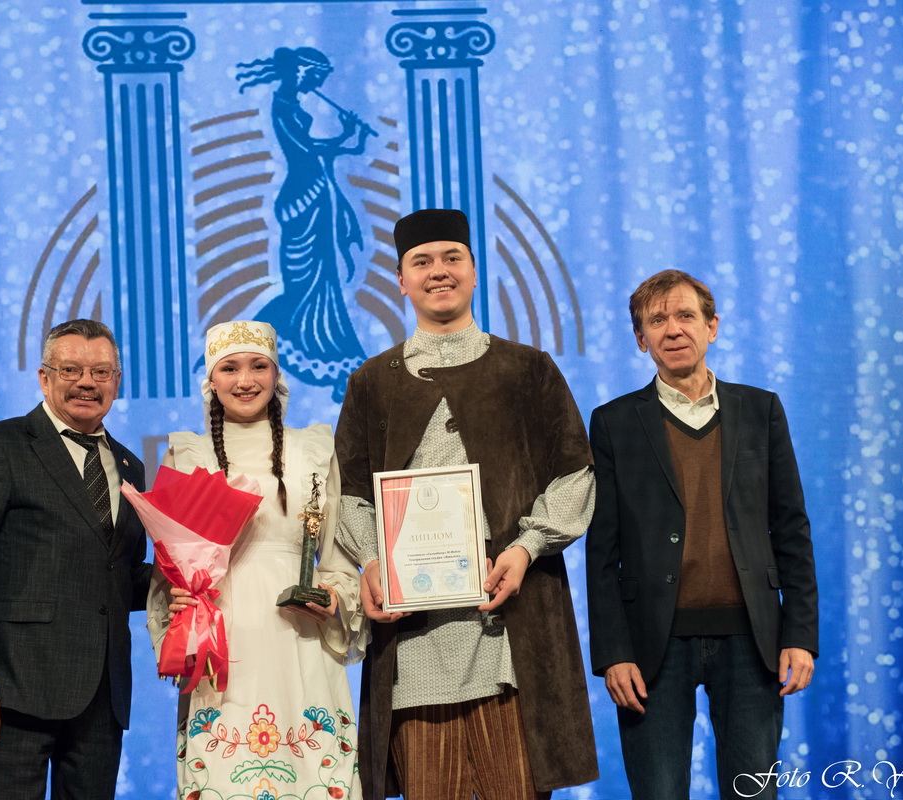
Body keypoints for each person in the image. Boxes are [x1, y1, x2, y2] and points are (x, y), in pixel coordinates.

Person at [333, 208, 599, 800]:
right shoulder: (372, 381)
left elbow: (575, 474)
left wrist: (525, 549)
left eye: (452, 258)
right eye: (421, 262)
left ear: (475, 273)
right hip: (414, 644)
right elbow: (350, 494)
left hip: (511, 636)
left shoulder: (527, 369)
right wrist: (375, 563)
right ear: (401, 281)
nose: (438, 271)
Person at [585, 270, 819, 799]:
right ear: (641, 339)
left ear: (712, 327)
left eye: (686, 316)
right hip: (651, 646)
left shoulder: (761, 410)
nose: (673, 329)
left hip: (752, 640)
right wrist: (613, 652)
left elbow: (791, 529)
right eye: (657, 320)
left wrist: (800, 634)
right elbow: (601, 551)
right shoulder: (613, 423)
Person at [147, 320, 367, 799]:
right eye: (229, 368)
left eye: (258, 366)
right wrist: (179, 599)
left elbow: (336, 555)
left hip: (298, 634)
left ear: (276, 374)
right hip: (221, 634)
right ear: (211, 379)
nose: (245, 380)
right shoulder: (186, 454)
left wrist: (333, 598)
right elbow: (168, 569)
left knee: (310, 771)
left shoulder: (314, 449)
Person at [0, 318, 150, 799]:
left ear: (116, 381)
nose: (86, 382)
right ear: (44, 377)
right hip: (13, 692)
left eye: (100, 372)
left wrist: (185, 582)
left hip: (102, 700)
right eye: (71, 369)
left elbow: (118, 575)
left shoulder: (130, 465)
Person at [235, 47, 374, 402]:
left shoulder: (291, 102)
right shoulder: (282, 105)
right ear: (302, 71)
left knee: (323, 276)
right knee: (305, 280)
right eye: (316, 76)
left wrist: (350, 139)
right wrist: (346, 137)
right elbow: (306, 150)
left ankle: (333, 355)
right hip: (303, 195)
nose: (318, 83)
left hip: (315, 191)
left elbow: (318, 150)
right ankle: (295, 343)